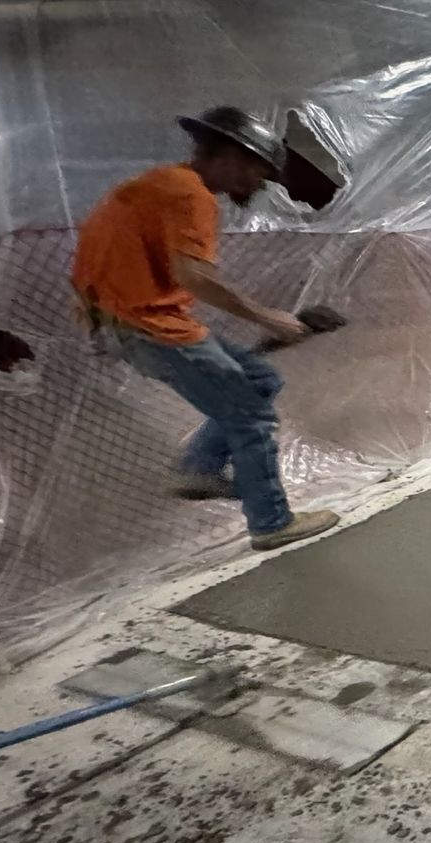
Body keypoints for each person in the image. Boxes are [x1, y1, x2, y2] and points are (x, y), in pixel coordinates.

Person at [72, 106, 338, 551]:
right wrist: (267, 317)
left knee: (259, 379)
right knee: (249, 416)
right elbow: (193, 276)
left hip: (129, 324)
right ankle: (272, 522)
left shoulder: (158, 183)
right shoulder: (190, 194)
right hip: (150, 327)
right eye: (257, 169)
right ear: (227, 154)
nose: (260, 182)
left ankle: (200, 466)